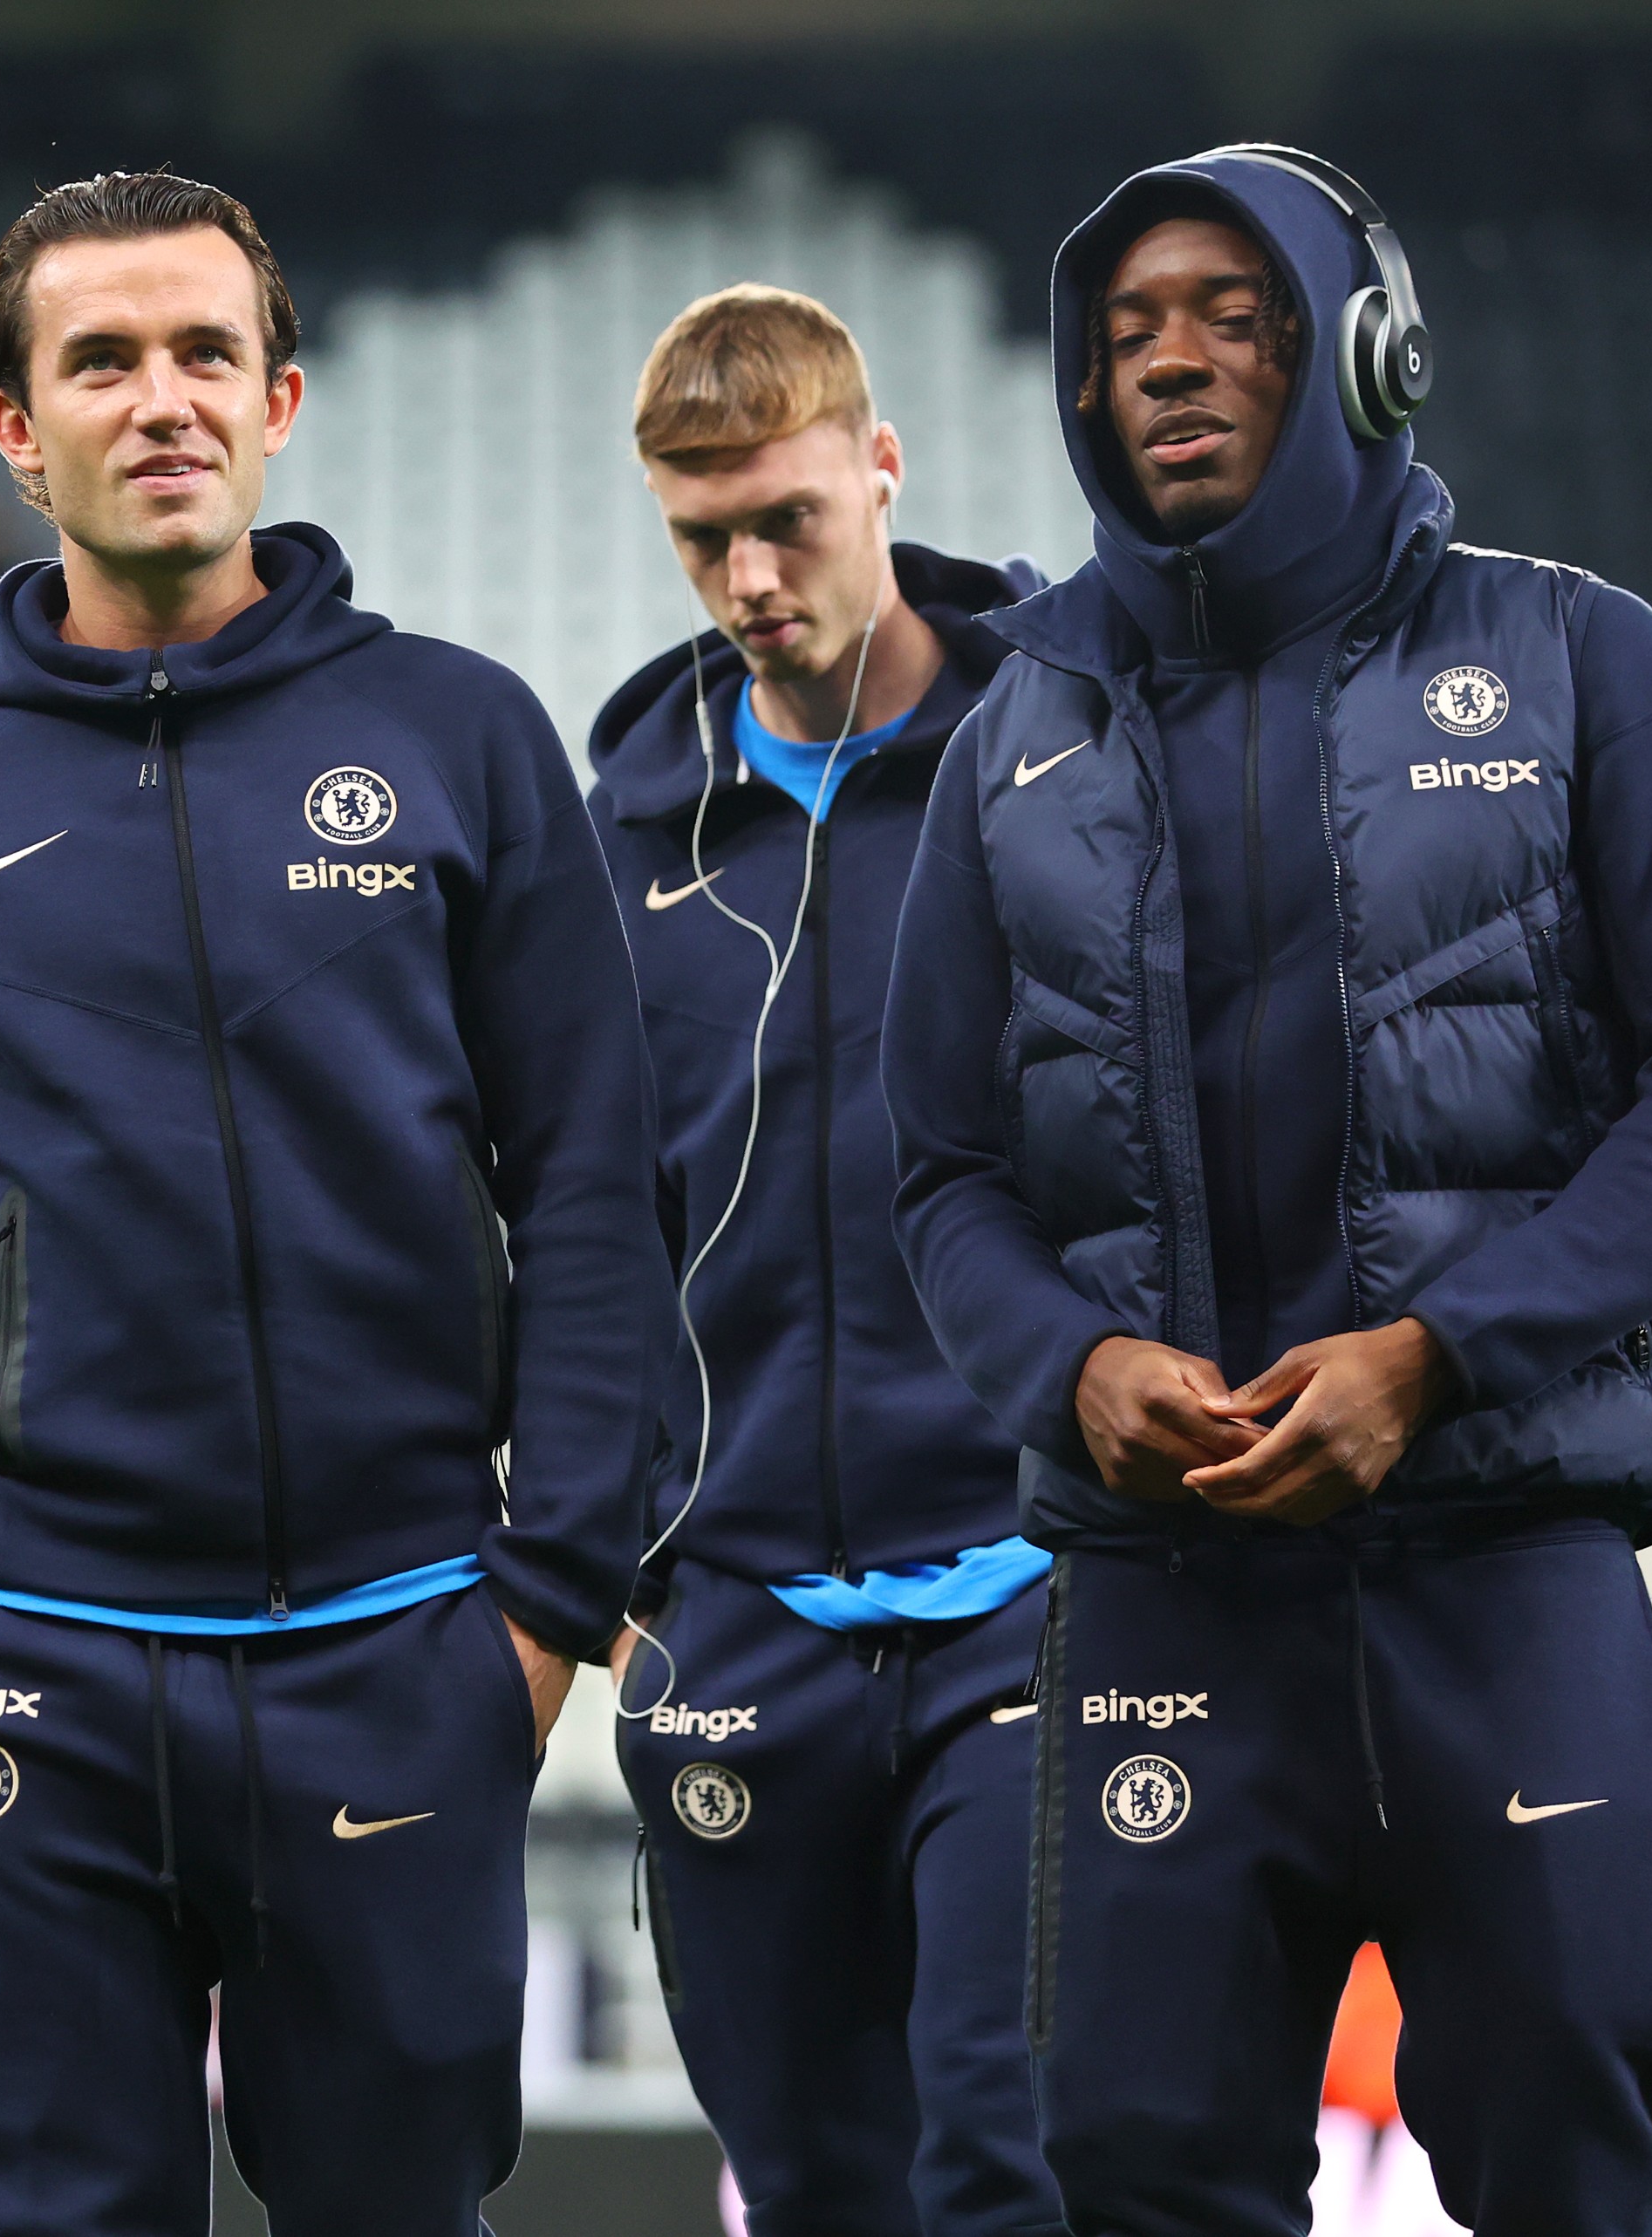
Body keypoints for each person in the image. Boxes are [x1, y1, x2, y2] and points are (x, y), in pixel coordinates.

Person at [882, 145, 1652, 2234]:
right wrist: (1071, 1367)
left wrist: (1436, 1355)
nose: (1171, 362)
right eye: (1125, 332)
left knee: (1572, 2164)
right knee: (1129, 2169)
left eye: (1233, 313)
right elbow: (936, 1173)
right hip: (1155, 1587)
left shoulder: (1581, 659)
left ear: (1363, 350)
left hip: (1504, 1570)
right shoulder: (1005, 735)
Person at [0, 171, 671, 2235]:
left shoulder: (459, 737)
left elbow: (595, 1193)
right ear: (16, 427)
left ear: (279, 399)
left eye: (199, 354)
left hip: (395, 1654)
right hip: (18, 1665)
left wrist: (537, 1606)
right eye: (99, 360)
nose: (156, 398)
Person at [584, 284, 1059, 2234]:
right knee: (802, 2187)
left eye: (790, 516)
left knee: (1013, 2159)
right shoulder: (610, 844)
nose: (752, 574)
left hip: (1041, 1583)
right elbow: (560, 1224)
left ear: (881, 468)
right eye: (704, 536)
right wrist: (617, 1558)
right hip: (733, 1610)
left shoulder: (1071, 758)